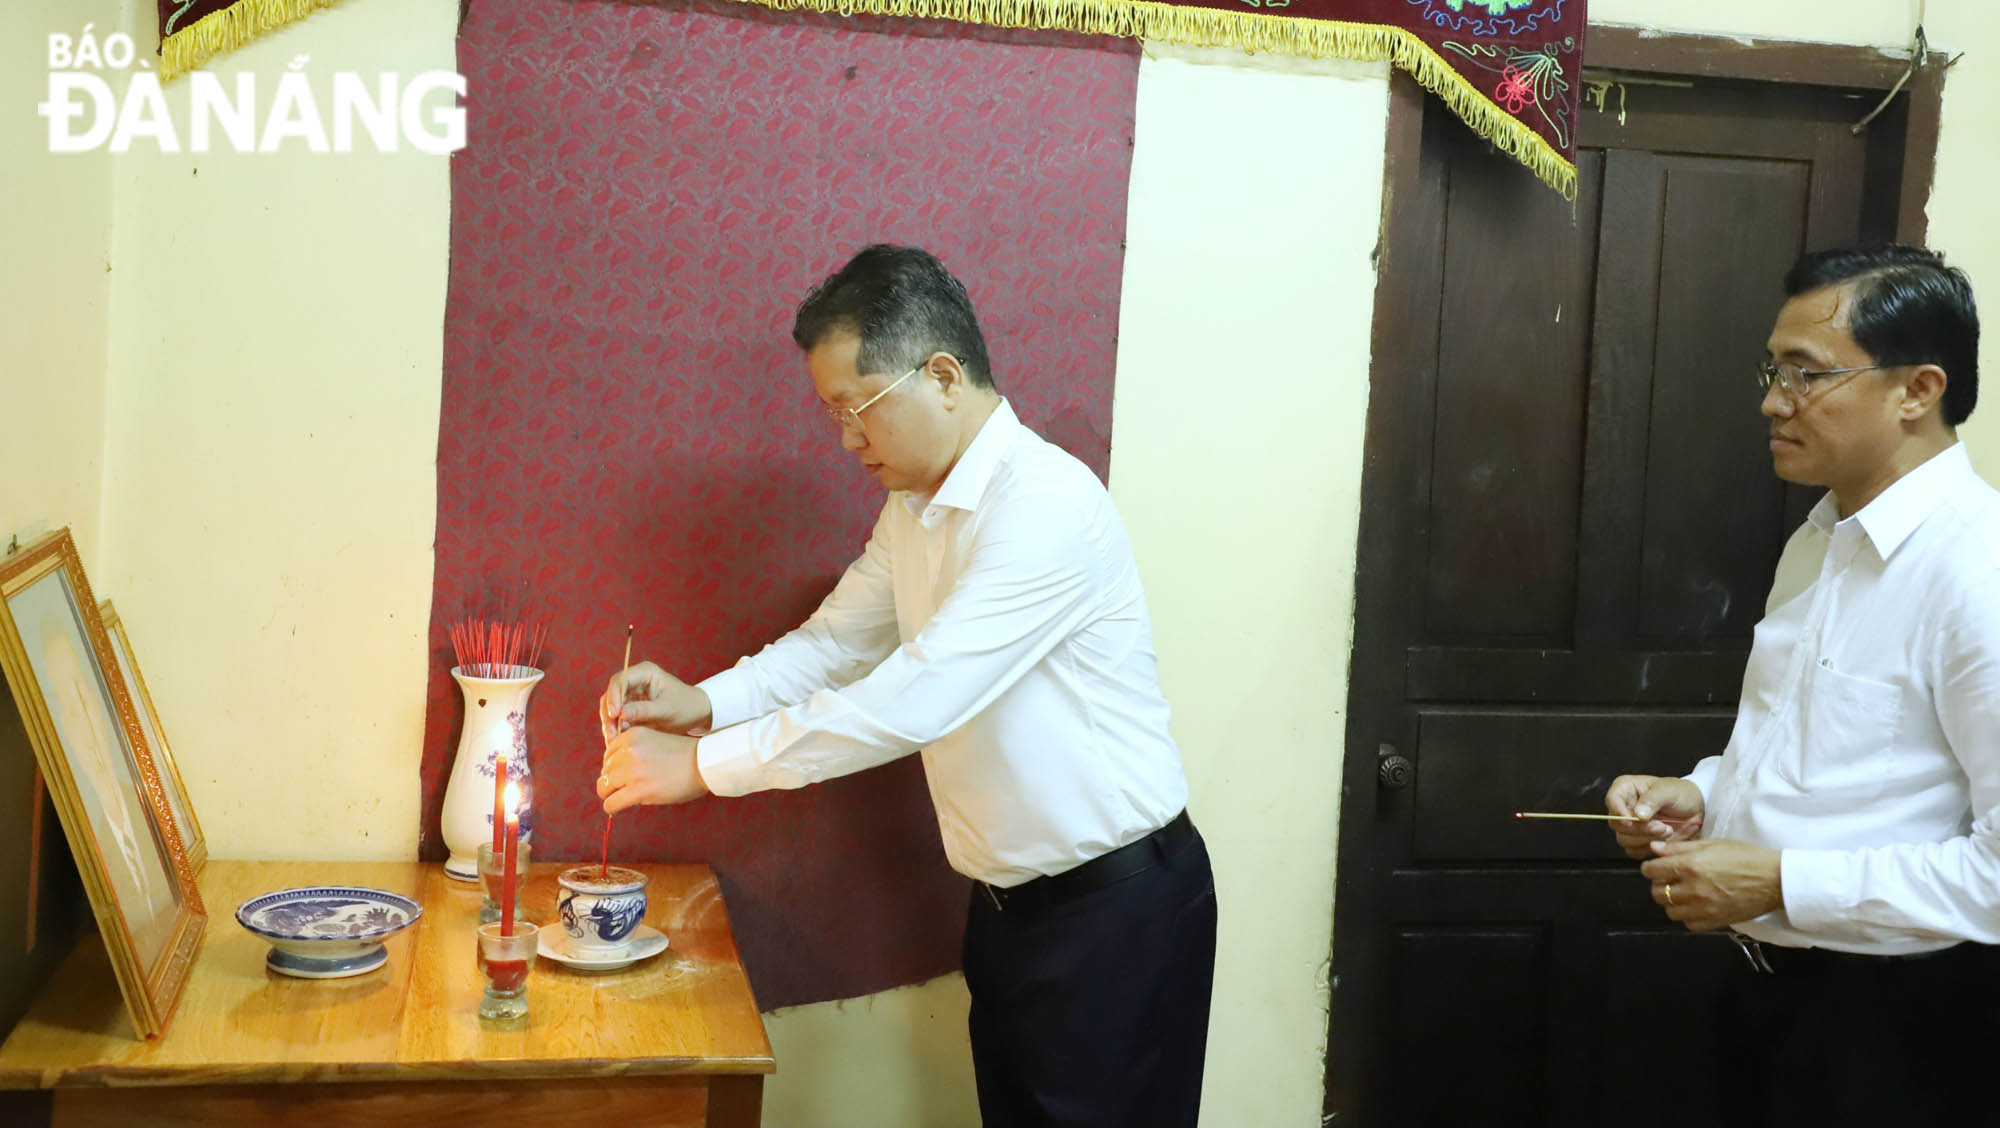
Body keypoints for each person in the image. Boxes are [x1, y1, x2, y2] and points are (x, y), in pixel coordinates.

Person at [596, 244, 1216, 1126]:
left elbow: (916, 698)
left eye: (859, 409)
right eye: (833, 413)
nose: (848, 440)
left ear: (944, 374)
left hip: (1115, 913)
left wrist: (702, 768)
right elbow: (837, 644)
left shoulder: (1046, 506)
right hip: (1008, 911)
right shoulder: (913, 507)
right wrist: (705, 702)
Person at [1605, 244, 1999, 1127]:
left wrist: (1782, 883)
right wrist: (1701, 795)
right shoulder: (1818, 540)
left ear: (1917, 391)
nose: (1772, 402)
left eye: (1806, 375)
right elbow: (1824, 751)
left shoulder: (1978, 573)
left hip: (1904, 1023)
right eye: (1773, 369)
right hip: (1773, 995)